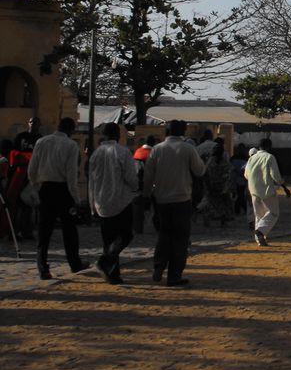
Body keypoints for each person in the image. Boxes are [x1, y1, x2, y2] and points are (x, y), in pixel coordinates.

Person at [144, 119, 206, 286]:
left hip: (161, 199)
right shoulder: (188, 149)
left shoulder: (157, 149)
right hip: (182, 198)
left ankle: (159, 265)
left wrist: (146, 194)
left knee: (164, 234)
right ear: (183, 132)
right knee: (180, 238)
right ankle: (174, 275)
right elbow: (200, 170)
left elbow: (148, 175)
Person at [28, 117, 88, 280]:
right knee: (69, 230)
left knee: (44, 231)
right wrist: (76, 198)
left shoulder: (42, 142)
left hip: (45, 188)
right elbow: (71, 176)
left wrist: (36, 187)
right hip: (63, 190)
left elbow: (32, 168)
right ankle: (74, 263)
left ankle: (43, 268)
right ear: (70, 130)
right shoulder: (71, 145)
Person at [88, 123, 138, 284]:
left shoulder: (96, 154)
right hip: (120, 200)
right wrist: (136, 187)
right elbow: (131, 177)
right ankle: (106, 260)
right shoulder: (122, 152)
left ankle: (112, 273)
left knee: (108, 239)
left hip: (101, 201)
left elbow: (91, 181)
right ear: (118, 135)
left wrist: (92, 204)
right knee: (125, 235)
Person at [245, 139, 291, 246]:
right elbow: (275, 176)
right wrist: (284, 187)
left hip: (254, 190)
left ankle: (259, 239)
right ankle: (260, 231)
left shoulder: (251, 158)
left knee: (259, 215)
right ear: (269, 146)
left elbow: (246, 175)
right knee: (273, 213)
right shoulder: (270, 157)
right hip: (267, 191)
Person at [200, 142, 234, 227]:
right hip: (214, 186)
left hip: (218, 186)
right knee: (212, 204)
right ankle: (212, 220)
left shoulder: (212, 161)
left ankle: (220, 220)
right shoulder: (215, 161)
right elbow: (228, 175)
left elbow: (228, 174)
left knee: (220, 204)